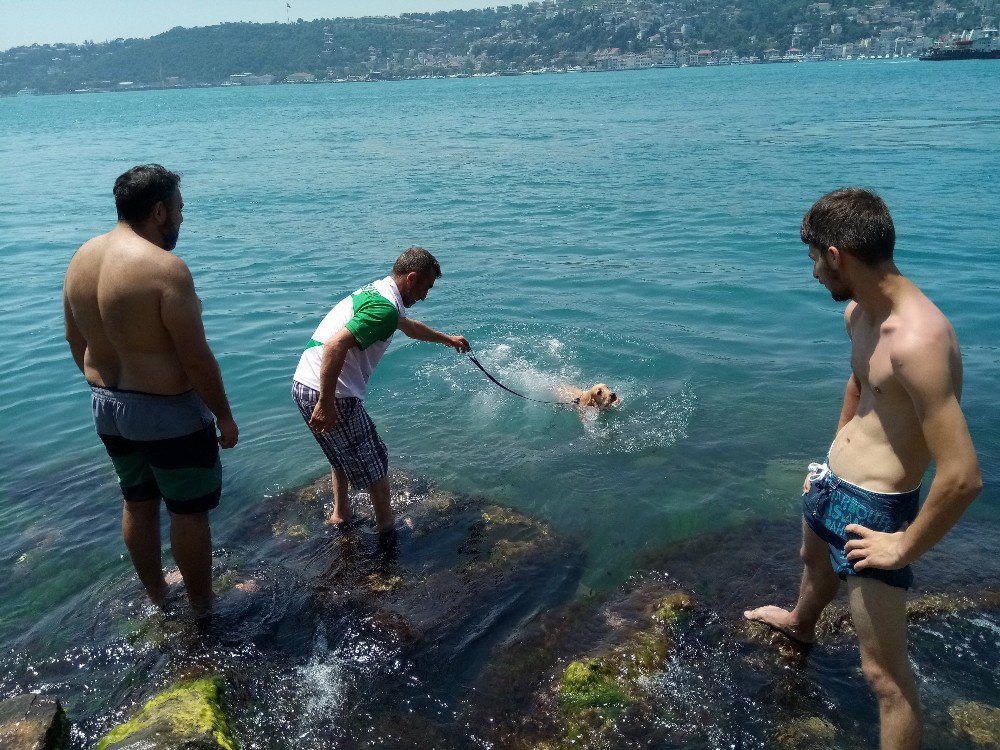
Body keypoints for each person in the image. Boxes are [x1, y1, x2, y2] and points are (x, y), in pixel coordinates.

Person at [744, 188, 981, 749]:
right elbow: (859, 384)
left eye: (814, 262)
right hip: (833, 480)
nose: (814, 276)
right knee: (812, 561)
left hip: (877, 511)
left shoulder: (920, 340)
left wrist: (902, 547)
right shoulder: (861, 312)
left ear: (836, 255)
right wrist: (831, 456)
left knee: (883, 676)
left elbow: (963, 476)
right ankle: (802, 622)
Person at [63, 164, 238, 617]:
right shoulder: (165, 270)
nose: (181, 219)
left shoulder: (81, 258)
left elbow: (74, 340)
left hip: (106, 405)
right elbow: (195, 358)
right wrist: (224, 415)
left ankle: (158, 598)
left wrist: (109, 389)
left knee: (138, 502)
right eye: (179, 210)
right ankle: (202, 609)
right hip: (166, 413)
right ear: (158, 210)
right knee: (188, 511)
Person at [291, 247, 469, 532]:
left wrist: (448, 340)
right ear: (411, 278)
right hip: (331, 392)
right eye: (426, 287)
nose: (425, 296)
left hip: (304, 383)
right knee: (375, 461)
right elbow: (335, 345)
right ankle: (387, 530)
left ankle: (341, 514)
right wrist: (325, 402)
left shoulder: (379, 291)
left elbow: (409, 327)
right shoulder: (385, 308)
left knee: (341, 454)